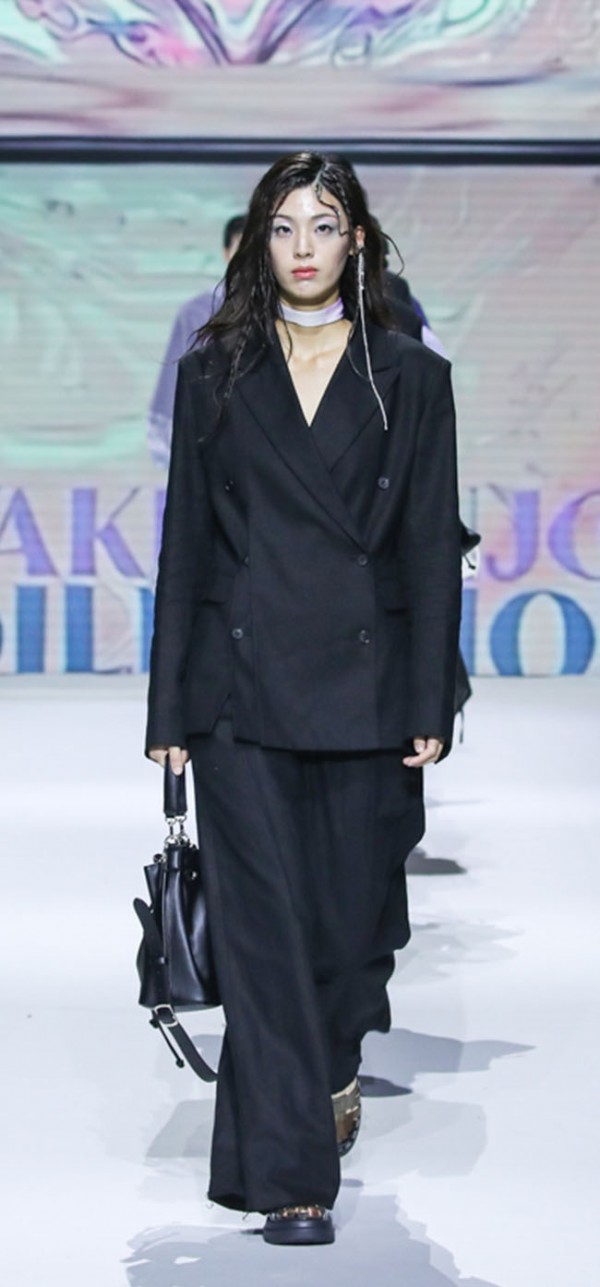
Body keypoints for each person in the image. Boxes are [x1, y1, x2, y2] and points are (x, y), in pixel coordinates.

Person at [145, 152, 462, 1246]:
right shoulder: (216, 370)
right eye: (283, 229)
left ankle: (326, 1070)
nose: (302, 248)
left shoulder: (409, 376)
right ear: (260, 242)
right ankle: (290, 1179)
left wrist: (430, 699)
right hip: (240, 695)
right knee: (266, 936)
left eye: (322, 227)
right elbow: (188, 544)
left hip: (366, 693)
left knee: (343, 931)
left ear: (355, 240)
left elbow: (427, 546)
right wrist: (169, 712)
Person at [147, 214, 246, 466]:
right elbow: (173, 386)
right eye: (242, 250)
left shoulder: (288, 312)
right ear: (226, 253)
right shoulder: (197, 313)